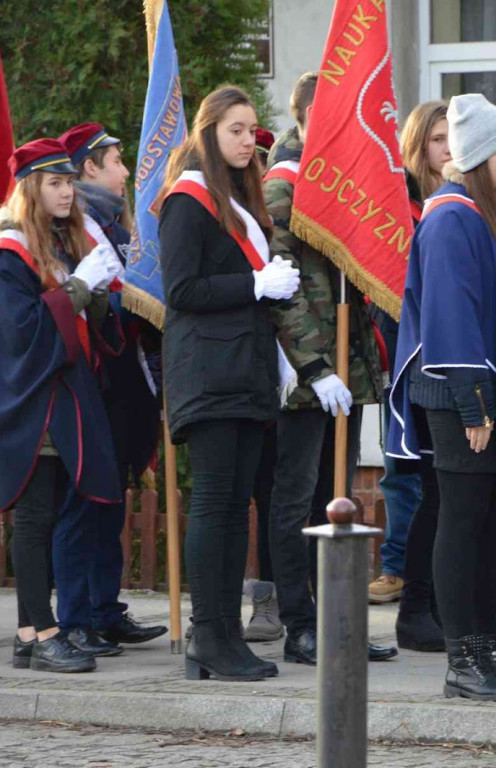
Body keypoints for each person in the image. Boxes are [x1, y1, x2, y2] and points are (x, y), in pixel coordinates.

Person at [387, 93, 496, 702]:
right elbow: (450, 315)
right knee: (464, 526)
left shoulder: (488, 212)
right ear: (479, 153)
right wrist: (474, 405)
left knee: (490, 527)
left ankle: (486, 650)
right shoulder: (450, 217)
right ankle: (463, 660)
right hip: (462, 397)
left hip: (491, 392)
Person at [158, 85, 301, 681]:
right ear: (208, 131)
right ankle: (208, 635)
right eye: (234, 130)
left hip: (244, 370)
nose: (247, 141)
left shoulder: (235, 200)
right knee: (216, 505)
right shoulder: (187, 200)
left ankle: (226, 635)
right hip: (209, 371)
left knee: (236, 508)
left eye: (250, 130)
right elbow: (182, 290)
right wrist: (254, 285)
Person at [261, 72, 393, 665]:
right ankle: (300, 624)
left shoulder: (337, 181)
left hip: (346, 364)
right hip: (305, 371)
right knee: (297, 501)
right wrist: (314, 366)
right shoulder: (284, 186)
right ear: (312, 115)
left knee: (334, 499)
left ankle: (338, 620)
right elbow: (281, 290)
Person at [1, 138, 125, 672]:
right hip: (31, 398)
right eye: (54, 183)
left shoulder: (58, 241)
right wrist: (77, 287)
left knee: (46, 514)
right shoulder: (10, 251)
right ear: (30, 189)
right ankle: (45, 632)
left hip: (62, 395)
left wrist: (95, 294)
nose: (67, 192)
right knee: (34, 517)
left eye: (70, 182)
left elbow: (86, 323)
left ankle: (28, 635)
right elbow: (21, 330)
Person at [58, 122, 167, 648]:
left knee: (111, 501)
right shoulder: (76, 227)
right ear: (89, 168)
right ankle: (76, 618)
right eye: (117, 162)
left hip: (125, 382)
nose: (126, 173)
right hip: (94, 382)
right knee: (86, 503)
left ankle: (104, 609)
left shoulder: (115, 226)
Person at [384, 99, 451, 652]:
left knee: (449, 493)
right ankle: (415, 608)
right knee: (425, 489)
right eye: (437, 139)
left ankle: (444, 607)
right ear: (418, 145)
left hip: (453, 362)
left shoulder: (465, 199)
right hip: (416, 361)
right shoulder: (401, 205)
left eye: (455, 138)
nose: (448, 149)